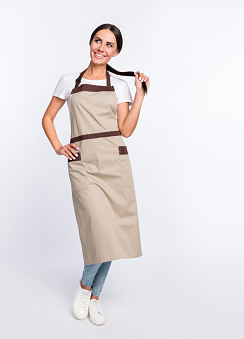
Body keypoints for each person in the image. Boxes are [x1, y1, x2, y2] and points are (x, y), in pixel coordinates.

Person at [41, 23, 150, 326]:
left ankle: (95, 297)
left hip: (113, 162)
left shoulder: (120, 84)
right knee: (99, 227)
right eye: (98, 41)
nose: (101, 48)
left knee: (111, 231)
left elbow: (125, 129)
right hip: (84, 164)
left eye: (109, 45)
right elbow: (48, 118)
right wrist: (58, 146)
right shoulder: (68, 81)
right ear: (90, 43)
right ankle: (84, 287)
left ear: (116, 52)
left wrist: (140, 94)